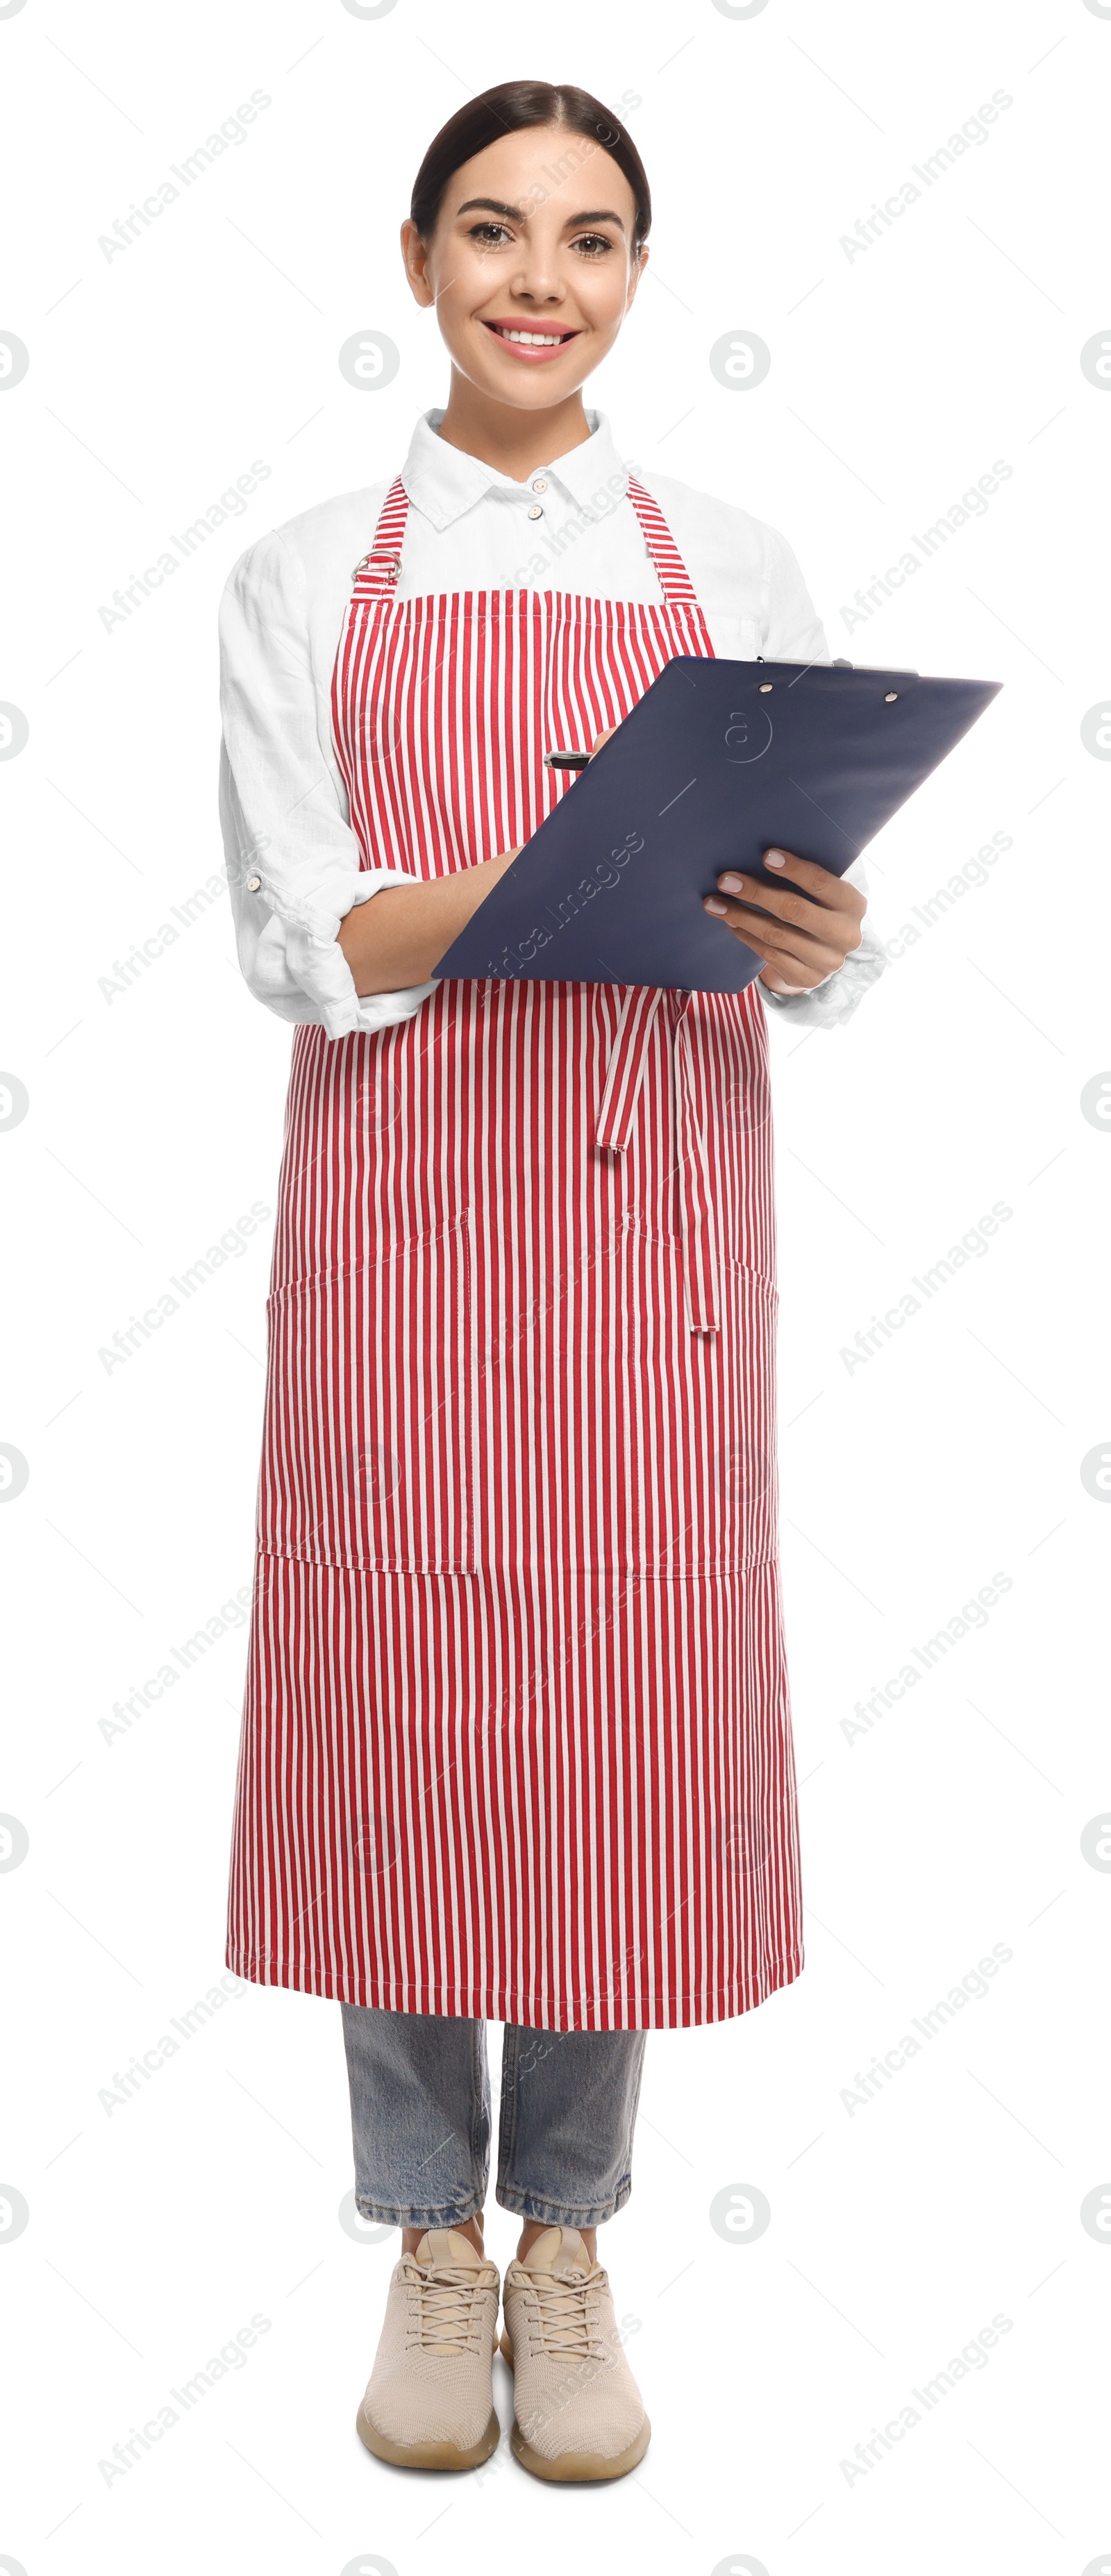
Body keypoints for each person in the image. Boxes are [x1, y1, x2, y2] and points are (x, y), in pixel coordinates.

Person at [218, 78, 885, 2485]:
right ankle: (425, 2223)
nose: (540, 278)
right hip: (408, 1216)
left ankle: (573, 2231)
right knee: (403, 1696)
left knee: (622, 1713)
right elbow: (303, 931)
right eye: (491, 232)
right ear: (417, 264)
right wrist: (549, 885)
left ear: (636, 277)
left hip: (651, 1224)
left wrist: (813, 931)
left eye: (591, 240)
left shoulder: (737, 557)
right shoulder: (310, 569)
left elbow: (800, 943)